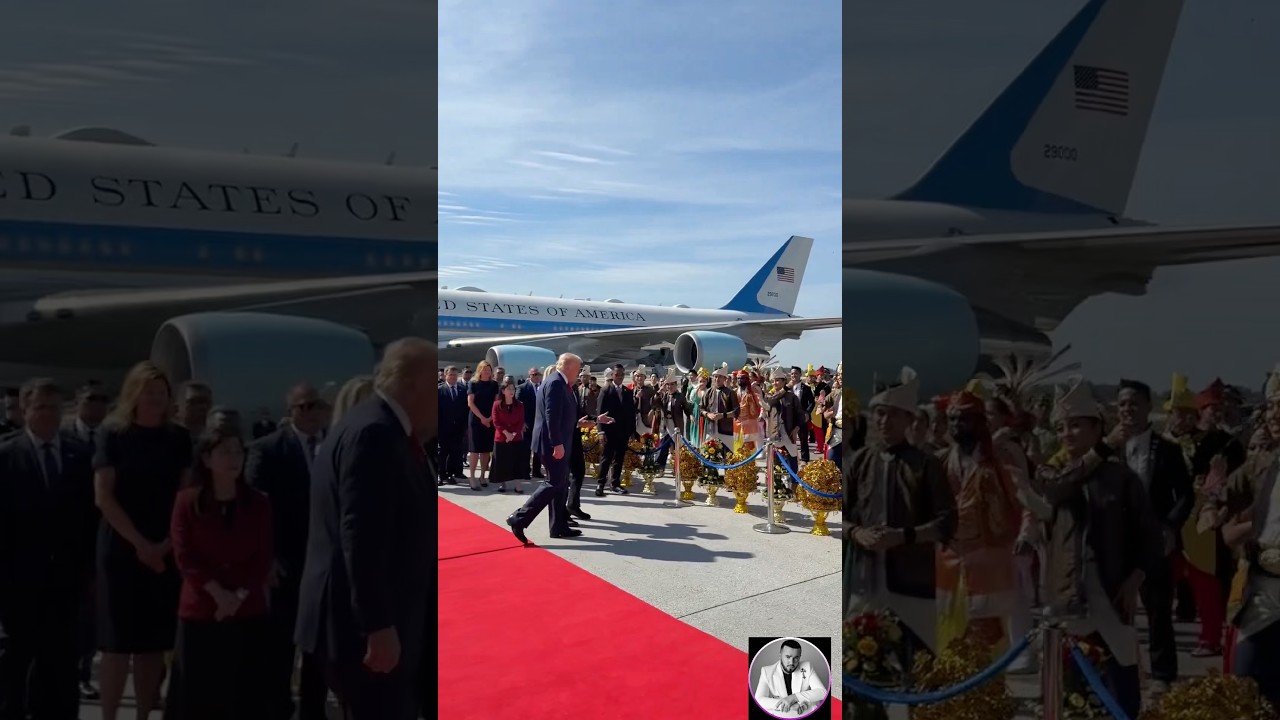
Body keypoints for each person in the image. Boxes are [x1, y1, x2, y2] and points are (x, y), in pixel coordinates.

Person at [294, 338, 435, 720]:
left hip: (371, 618)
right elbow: (361, 535)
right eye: (432, 384)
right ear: (410, 385)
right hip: (366, 628)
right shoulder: (375, 433)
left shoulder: (373, 425)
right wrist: (378, 625)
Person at [93, 361, 193, 720]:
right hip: (121, 547)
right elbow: (104, 496)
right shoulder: (113, 433)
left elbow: (185, 496)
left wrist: (164, 545)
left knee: (153, 643)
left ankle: (144, 714)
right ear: (133, 394)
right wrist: (140, 544)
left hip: (164, 548)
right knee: (117, 644)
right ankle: (108, 715)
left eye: (161, 393)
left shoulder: (179, 438)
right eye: (148, 392)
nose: (155, 399)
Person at [0, 379, 98, 720]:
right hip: (19, 583)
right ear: (25, 410)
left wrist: (89, 573)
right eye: (40, 407)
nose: (47, 414)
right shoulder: (6, 456)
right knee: (16, 663)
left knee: (61, 665)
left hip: (67, 583)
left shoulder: (81, 456)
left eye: (54, 407)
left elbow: (90, 520)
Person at [167, 428, 274, 719]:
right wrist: (217, 593)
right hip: (202, 610)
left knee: (244, 693)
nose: (233, 458)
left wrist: (236, 597)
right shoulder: (187, 501)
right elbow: (184, 554)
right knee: (198, 694)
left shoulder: (259, 502)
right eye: (224, 451)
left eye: (238, 452)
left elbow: (262, 557)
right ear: (206, 458)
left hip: (246, 609)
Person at [245, 384, 330, 720]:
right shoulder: (268, 448)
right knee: (279, 648)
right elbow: (254, 509)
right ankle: (276, 708)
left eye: (314, 405)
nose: (308, 412)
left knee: (318, 649)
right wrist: (265, 558)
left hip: (322, 565)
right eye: (301, 407)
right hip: (283, 564)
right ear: (290, 411)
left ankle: (313, 710)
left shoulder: (335, 445)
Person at [507, 353, 590, 543]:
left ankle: (558, 526)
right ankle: (519, 519)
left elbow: (561, 416)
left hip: (557, 441)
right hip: (552, 443)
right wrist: (557, 444)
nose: (578, 374)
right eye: (577, 369)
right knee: (554, 483)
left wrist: (578, 424)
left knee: (560, 485)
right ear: (568, 367)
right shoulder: (555, 383)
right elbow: (551, 417)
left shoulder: (559, 383)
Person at [752, 639, 827, 717]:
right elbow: (759, 700)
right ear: (780, 655)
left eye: (796, 658)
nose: (791, 662)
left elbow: (822, 692)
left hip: (803, 713)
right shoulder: (767, 671)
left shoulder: (807, 666)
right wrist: (790, 706)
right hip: (780, 714)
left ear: (800, 657)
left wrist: (794, 698)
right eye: (788, 657)